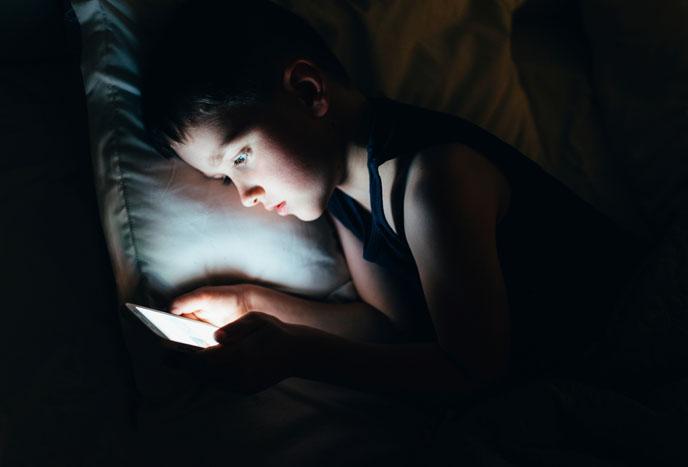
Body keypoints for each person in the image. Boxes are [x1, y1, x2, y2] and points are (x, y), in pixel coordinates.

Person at [141, 0, 643, 397]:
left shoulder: (434, 181)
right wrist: (247, 305)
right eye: (226, 180)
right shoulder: (341, 196)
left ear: (309, 90)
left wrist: (299, 356)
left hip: (627, 328)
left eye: (241, 158)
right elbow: (385, 323)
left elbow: (472, 368)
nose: (245, 195)